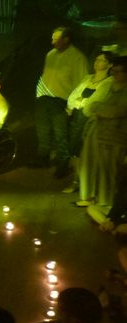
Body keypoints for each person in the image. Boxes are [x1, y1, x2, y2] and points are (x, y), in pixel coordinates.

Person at [32, 27, 89, 178]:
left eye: (56, 39)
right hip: (44, 98)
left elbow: (81, 82)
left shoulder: (77, 58)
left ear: (66, 39)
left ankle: (62, 164)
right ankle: (42, 158)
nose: (52, 42)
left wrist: (72, 105)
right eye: (52, 38)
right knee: (42, 130)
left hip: (61, 100)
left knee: (60, 134)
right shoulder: (51, 55)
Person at [76, 55, 127, 207]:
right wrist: (101, 109)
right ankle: (89, 196)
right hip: (97, 131)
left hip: (116, 135)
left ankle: (106, 201)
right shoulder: (108, 85)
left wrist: (101, 109)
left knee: (109, 170)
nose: (115, 75)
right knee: (89, 164)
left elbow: (119, 110)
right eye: (114, 71)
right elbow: (90, 106)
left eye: (119, 72)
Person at [62, 51, 114, 194]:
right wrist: (75, 104)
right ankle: (76, 181)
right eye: (96, 59)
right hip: (76, 117)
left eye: (102, 60)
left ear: (110, 64)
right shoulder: (88, 78)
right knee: (75, 150)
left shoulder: (109, 82)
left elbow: (96, 101)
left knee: (86, 151)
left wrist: (80, 103)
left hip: (90, 119)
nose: (97, 63)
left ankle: (86, 184)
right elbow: (74, 95)